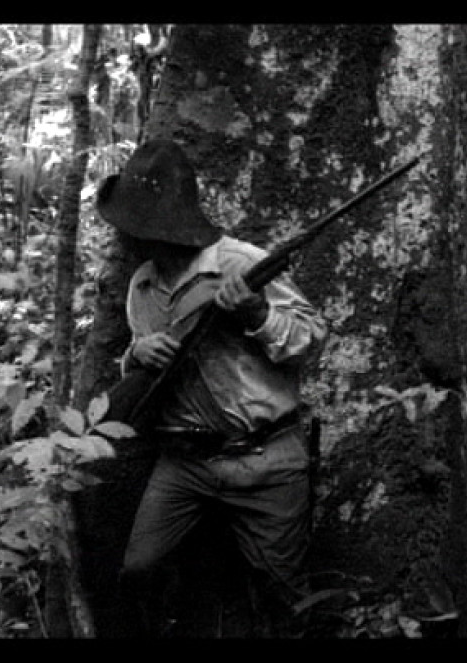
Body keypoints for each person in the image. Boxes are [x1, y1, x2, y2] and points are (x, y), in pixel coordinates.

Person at [95, 139, 328, 637]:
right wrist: (136, 355)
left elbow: (310, 338)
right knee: (138, 571)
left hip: (265, 459)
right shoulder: (141, 286)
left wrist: (257, 313)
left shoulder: (241, 262)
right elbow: (141, 371)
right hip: (183, 463)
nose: (132, 238)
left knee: (283, 597)